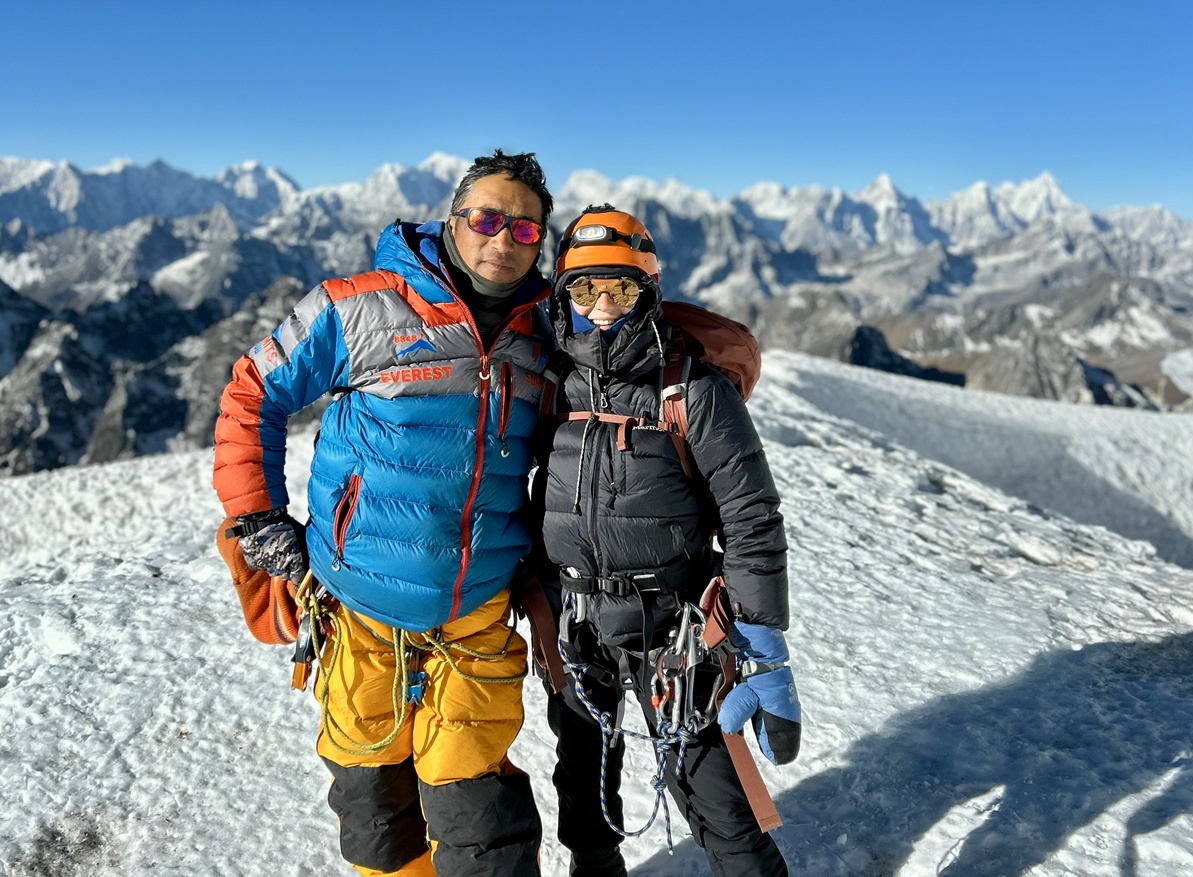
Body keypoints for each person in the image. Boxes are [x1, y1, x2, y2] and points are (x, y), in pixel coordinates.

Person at [212, 149, 555, 877]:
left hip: (476, 609)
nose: (503, 239)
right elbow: (253, 390)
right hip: (357, 603)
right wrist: (258, 516)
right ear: (452, 221)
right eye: (486, 219)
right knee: (373, 801)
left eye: (525, 229)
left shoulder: (547, 332)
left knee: (477, 807)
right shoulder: (358, 308)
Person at [531, 206, 801, 876]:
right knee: (581, 780)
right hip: (578, 624)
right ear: (562, 297)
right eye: (584, 289)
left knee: (716, 799)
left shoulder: (692, 390)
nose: (601, 306)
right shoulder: (550, 385)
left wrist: (762, 644)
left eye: (620, 289)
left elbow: (751, 516)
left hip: (673, 630)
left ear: (647, 293)